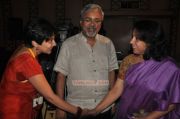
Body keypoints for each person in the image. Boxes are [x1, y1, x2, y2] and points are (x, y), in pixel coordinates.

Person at [89, 20, 180, 119]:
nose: (131, 41)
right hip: (124, 114)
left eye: (137, 39)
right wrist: (95, 110)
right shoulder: (129, 60)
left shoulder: (171, 69)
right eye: (132, 37)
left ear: (150, 41)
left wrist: (147, 117)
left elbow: (173, 102)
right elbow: (117, 90)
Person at [0, 18, 84, 119]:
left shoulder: (25, 48)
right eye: (49, 40)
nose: (54, 44)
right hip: (15, 113)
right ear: (35, 43)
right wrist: (79, 111)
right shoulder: (27, 61)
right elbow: (50, 97)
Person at [53, 4, 119, 119]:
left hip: (103, 107)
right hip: (76, 109)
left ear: (101, 23)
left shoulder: (108, 44)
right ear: (81, 22)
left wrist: (111, 102)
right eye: (88, 20)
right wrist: (60, 107)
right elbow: (61, 76)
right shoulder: (68, 44)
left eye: (97, 21)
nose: (92, 25)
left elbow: (111, 72)